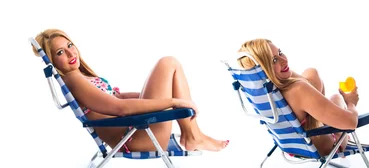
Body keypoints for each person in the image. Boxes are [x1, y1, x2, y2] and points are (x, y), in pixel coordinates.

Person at [32, 29, 229, 152]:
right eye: (60, 52)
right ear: (51, 60)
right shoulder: (73, 79)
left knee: (169, 66)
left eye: (69, 45)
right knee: (168, 63)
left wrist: (162, 95)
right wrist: (173, 102)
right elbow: (120, 108)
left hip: (138, 130)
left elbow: (118, 97)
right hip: (136, 137)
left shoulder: (81, 76)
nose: (70, 53)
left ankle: (193, 136)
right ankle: (193, 136)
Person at [237, 38, 359, 157]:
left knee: (311, 72)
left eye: (280, 53)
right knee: (336, 97)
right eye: (274, 60)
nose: (284, 60)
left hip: (293, 146)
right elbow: (351, 123)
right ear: (263, 70)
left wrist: (277, 64)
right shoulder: (298, 90)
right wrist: (350, 102)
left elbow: (303, 79)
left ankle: (325, 113)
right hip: (328, 146)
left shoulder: (262, 92)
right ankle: (334, 126)